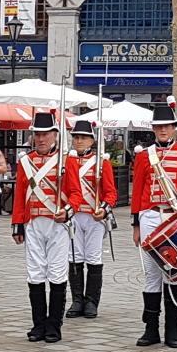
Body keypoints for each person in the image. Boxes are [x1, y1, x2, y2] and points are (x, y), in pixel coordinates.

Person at [131, 108, 177, 350]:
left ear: (174, 127)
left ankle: (173, 329)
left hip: (174, 216)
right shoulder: (143, 156)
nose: (162, 130)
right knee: (151, 275)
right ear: (153, 129)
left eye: (167, 126)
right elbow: (138, 191)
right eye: (158, 126)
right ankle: (150, 329)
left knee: (174, 272)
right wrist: (136, 225)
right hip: (150, 216)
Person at [10, 111, 72, 344]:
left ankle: (54, 325)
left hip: (57, 224)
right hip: (33, 222)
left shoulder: (66, 161)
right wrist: (17, 223)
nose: (41, 138)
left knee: (56, 273)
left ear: (55, 135)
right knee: (35, 273)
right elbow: (19, 195)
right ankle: (38, 324)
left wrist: (68, 211)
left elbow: (75, 193)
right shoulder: (26, 161)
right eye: (38, 134)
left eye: (46, 134)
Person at [65, 115, 116, 321]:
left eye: (83, 138)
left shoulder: (101, 162)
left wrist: (104, 209)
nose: (79, 141)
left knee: (93, 258)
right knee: (75, 257)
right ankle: (77, 300)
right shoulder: (66, 161)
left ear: (92, 140)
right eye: (76, 137)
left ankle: (92, 301)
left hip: (95, 217)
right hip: (74, 215)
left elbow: (111, 192)